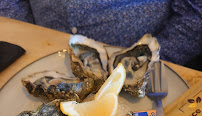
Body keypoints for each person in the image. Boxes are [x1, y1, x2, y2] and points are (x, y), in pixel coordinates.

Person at [0, 0, 201, 69]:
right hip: (39, 54)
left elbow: (195, 13)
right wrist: (27, 40)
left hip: (141, 65)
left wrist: (150, 63)